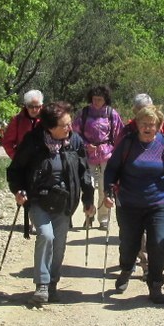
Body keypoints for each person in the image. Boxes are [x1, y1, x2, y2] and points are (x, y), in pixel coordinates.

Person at [6, 101, 96, 306]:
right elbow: (15, 170)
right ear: (50, 127)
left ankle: (53, 283)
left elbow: (85, 173)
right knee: (46, 235)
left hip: (65, 201)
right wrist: (18, 190)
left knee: (59, 243)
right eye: (64, 125)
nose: (69, 128)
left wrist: (88, 199)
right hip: (38, 199)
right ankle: (42, 284)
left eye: (69, 123)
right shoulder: (33, 142)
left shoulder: (75, 142)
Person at [103, 105, 164, 304]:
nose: (147, 128)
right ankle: (127, 268)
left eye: (151, 124)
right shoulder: (128, 143)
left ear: (158, 126)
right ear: (137, 125)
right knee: (129, 244)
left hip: (158, 202)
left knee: (158, 243)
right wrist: (109, 191)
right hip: (129, 203)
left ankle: (155, 283)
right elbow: (111, 169)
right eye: (143, 124)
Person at [118, 94, 164, 277]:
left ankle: (148, 268)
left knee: (154, 236)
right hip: (131, 195)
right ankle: (132, 262)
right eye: (141, 111)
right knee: (133, 235)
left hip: (158, 195)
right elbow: (117, 162)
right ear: (135, 112)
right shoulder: (127, 133)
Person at [71, 85, 124, 230]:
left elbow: (120, 136)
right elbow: (74, 134)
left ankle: (104, 218)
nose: (96, 102)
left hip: (107, 154)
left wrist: (112, 150)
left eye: (100, 99)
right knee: (87, 186)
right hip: (87, 155)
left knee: (104, 187)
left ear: (105, 99)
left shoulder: (112, 114)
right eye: (94, 99)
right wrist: (85, 144)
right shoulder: (84, 113)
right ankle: (89, 213)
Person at [0, 90, 44, 159]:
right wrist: (17, 158)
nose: (34, 110)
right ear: (26, 106)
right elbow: (7, 142)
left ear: (41, 106)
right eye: (31, 106)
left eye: (37, 106)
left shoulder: (47, 120)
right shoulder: (17, 120)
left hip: (44, 163)